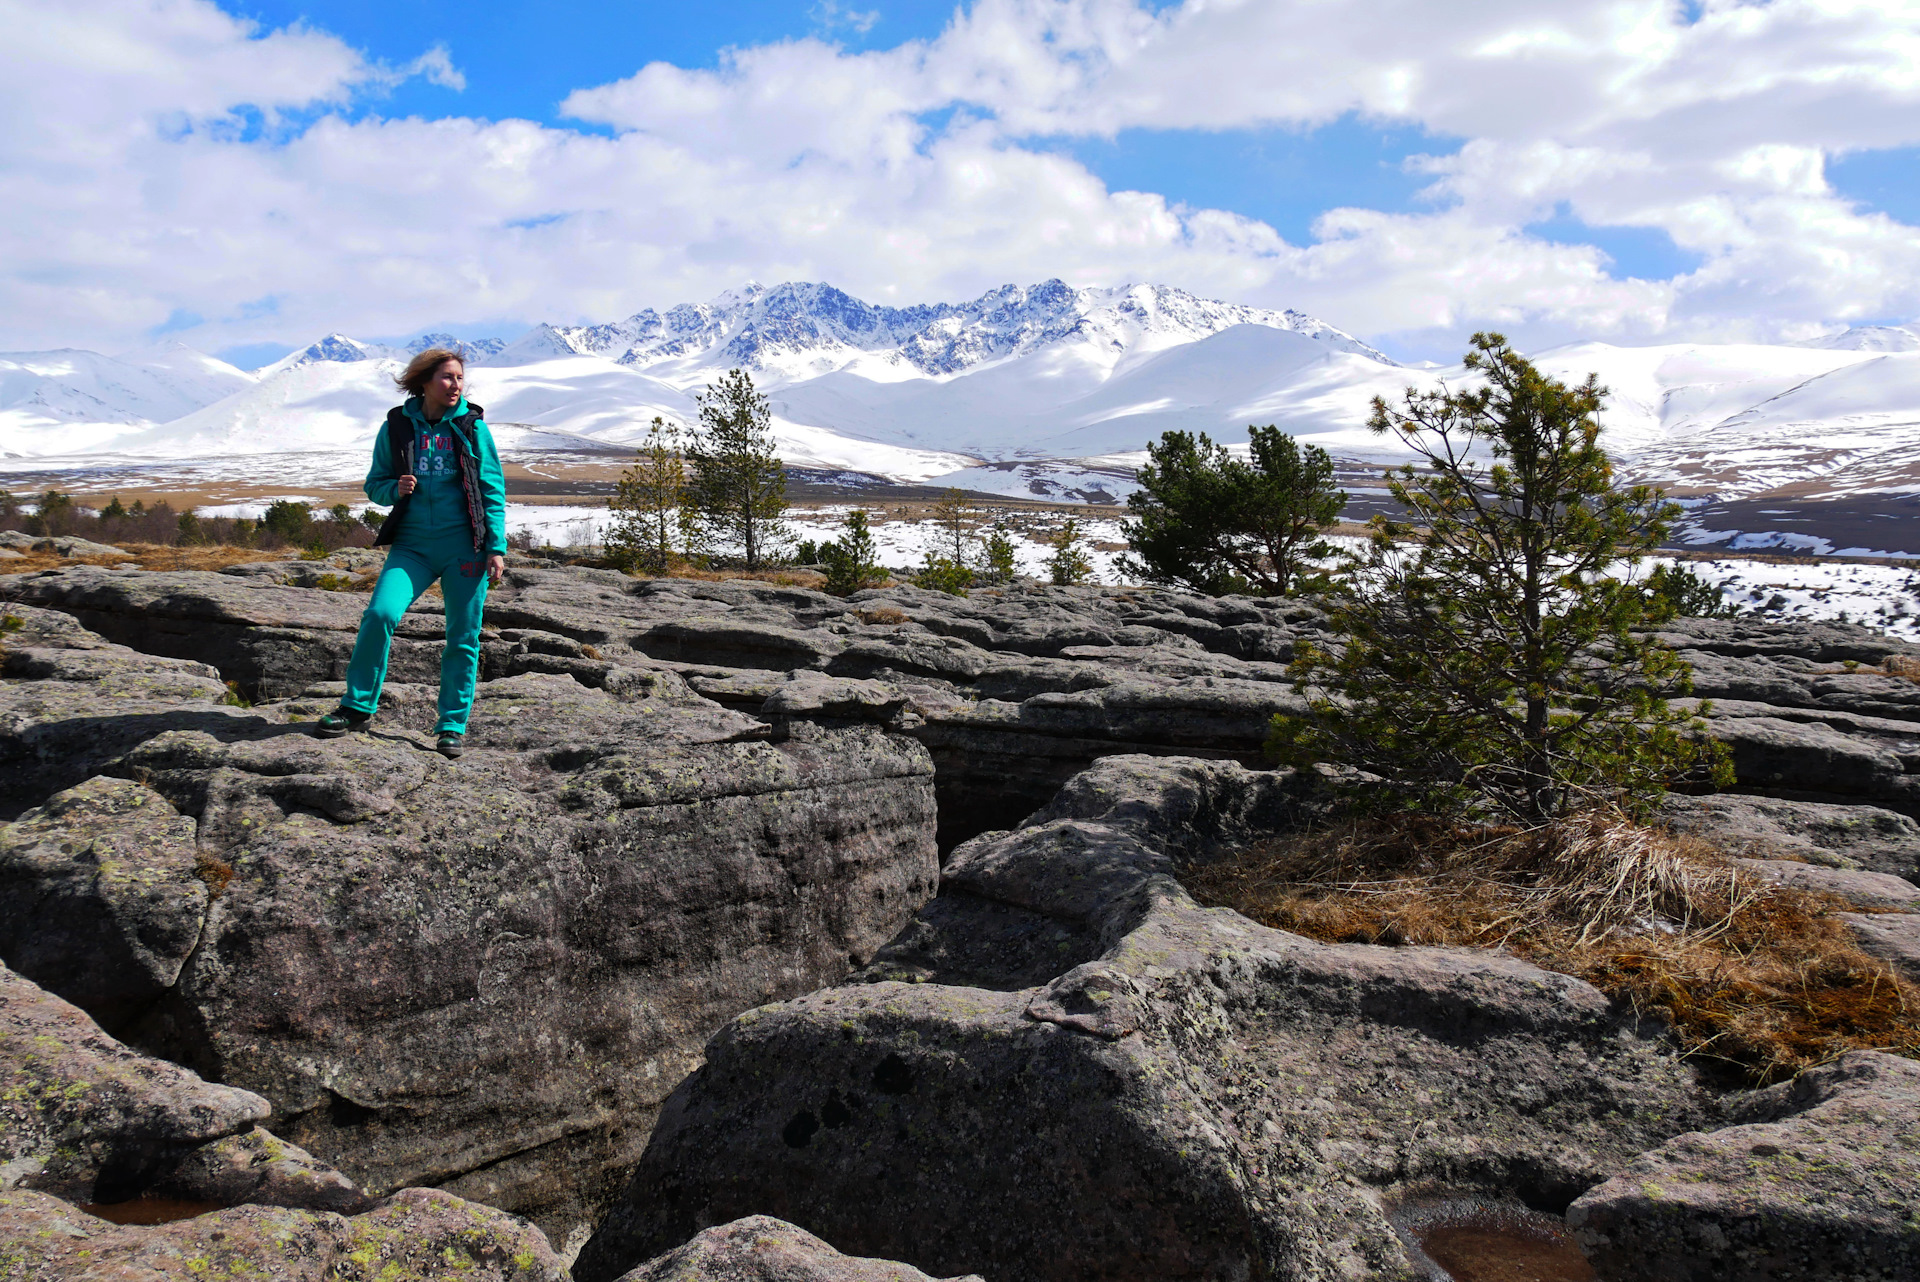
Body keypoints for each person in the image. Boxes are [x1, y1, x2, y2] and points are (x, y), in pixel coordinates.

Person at [314, 348, 507, 757]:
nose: (456, 386)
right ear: (423, 381)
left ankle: (452, 725)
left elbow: (492, 490)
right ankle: (356, 707)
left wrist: (496, 548)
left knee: (463, 637)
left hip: (465, 549)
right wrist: (393, 489)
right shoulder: (398, 425)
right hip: (413, 547)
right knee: (380, 614)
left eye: (459, 378)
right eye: (447, 378)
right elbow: (375, 483)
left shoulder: (474, 428)